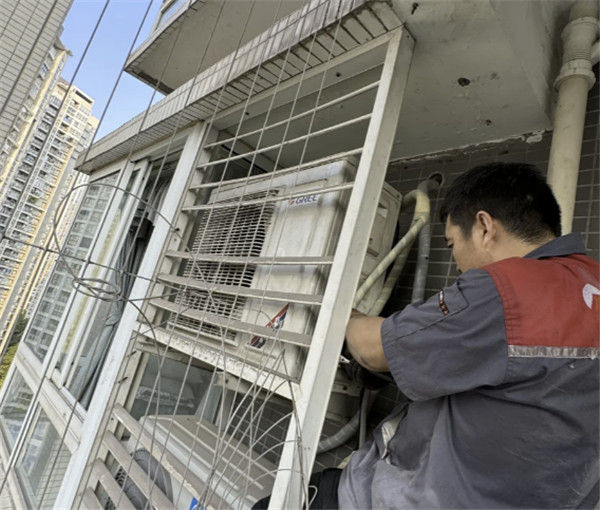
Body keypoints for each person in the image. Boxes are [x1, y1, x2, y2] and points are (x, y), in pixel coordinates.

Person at [337, 162, 599, 508]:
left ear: (484, 227)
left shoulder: (505, 289)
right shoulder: (590, 281)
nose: (457, 264)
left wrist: (343, 312)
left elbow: (374, 349)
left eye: (451, 245)